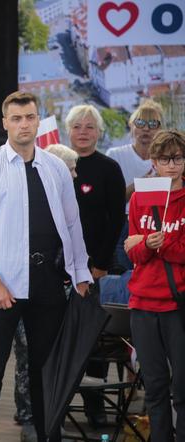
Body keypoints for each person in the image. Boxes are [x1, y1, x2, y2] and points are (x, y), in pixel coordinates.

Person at [0, 91, 92, 442]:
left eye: (30, 117)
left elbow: (71, 224)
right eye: (16, 118)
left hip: (48, 281)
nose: (24, 124)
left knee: (44, 370)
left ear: (38, 120)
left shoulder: (55, 168)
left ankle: (48, 437)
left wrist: (80, 275)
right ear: (5, 122)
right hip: (2, 283)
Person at [64, 104, 127, 428]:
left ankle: (95, 405)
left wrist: (100, 265)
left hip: (95, 268)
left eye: (90, 126)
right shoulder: (58, 165)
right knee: (61, 337)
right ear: (69, 130)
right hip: (60, 269)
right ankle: (53, 404)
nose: (83, 131)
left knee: (95, 340)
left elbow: (117, 219)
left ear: (99, 132)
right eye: (78, 126)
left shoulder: (109, 168)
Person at [124, 129, 185, 442]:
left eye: (178, 158)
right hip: (143, 303)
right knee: (156, 386)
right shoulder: (140, 197)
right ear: (155, 162)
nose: (172, 164)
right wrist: (146, 244)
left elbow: (182, 250)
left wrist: (154, 245)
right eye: (165, 159)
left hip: (177, 305)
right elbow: (131, 250)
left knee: (183, 388)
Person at [107, 100, 164, 271]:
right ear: (131, 126)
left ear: (160, 129)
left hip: (156, 224)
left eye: (153, 123)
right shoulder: (115, 155)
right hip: (123, 223)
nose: (146, 128)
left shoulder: (167, 159)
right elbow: (110, 202)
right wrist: (139, 186)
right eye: (140, 122)